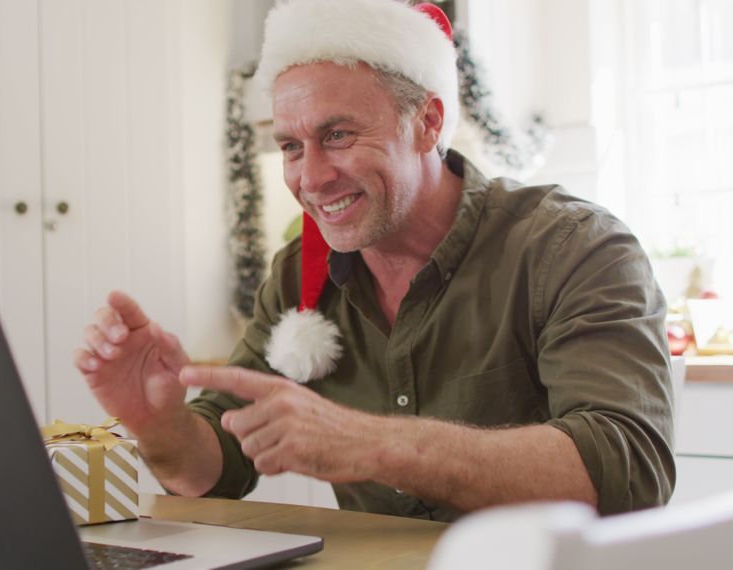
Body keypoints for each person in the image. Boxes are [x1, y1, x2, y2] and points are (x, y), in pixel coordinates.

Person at [74, 0, 675, 522]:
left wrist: (374, 443)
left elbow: (630, 471)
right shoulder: (296, 277)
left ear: (427, 123)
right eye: (291, 146)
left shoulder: (572, 247)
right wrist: (159, 422)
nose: (310, 177)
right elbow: (218, 468)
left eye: (338, 135)